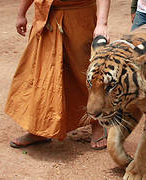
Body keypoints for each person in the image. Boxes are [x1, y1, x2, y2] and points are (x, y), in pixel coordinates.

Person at [6, 0, 111, 150]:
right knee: (42, 75)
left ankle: (97, 125)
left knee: (86, 74)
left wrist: (102, 23)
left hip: (80, 18)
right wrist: (21, 14)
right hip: (46, 18)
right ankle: (40, 129)